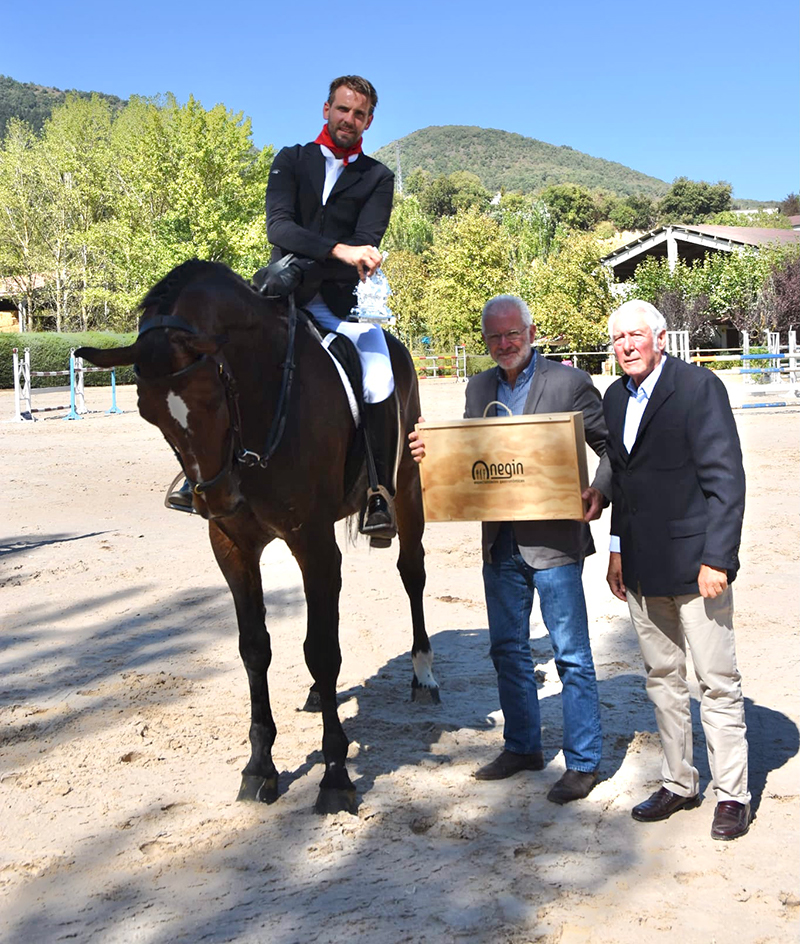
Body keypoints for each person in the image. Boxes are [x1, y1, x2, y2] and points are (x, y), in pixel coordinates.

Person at [169, 75, 398, 542]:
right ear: (326, 110)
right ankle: (199, 475)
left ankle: (379, 491)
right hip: (278, 295)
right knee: (215, 362)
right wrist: (340, 250)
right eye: (342, 109)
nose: (349, 119)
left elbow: (368, 242)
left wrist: (354, 254)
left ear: (369, 121)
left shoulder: (378, 177)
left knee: (379, 373)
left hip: (340, 304)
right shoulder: (292, 159)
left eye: (359, 114)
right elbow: (280, 230)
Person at [409, 295, 610, 804]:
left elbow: (611, 448)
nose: (503, 344)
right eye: (494, 337)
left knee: (570, 655)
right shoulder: (478, 386)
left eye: (511, 334)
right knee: (507, 651)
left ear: (531, 330)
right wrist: (427, 451)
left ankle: (583, 761)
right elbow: (467, 454)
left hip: (555, 544)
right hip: (500, 544)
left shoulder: (569, 383)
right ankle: (523, 746)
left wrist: (601, 489)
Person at [604, 299, 750, 840]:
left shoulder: (698, 388)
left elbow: (725, 481)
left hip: (697, 568)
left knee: (717, 683)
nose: (628, 346)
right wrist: (618, 551)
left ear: (661, 338)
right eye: (619, 338)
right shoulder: (615, 397)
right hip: (642, 568)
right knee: (663, 680)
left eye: (637, 336)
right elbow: (622, 481)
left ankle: (732, 793)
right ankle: (679, 781)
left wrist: (719, 558)